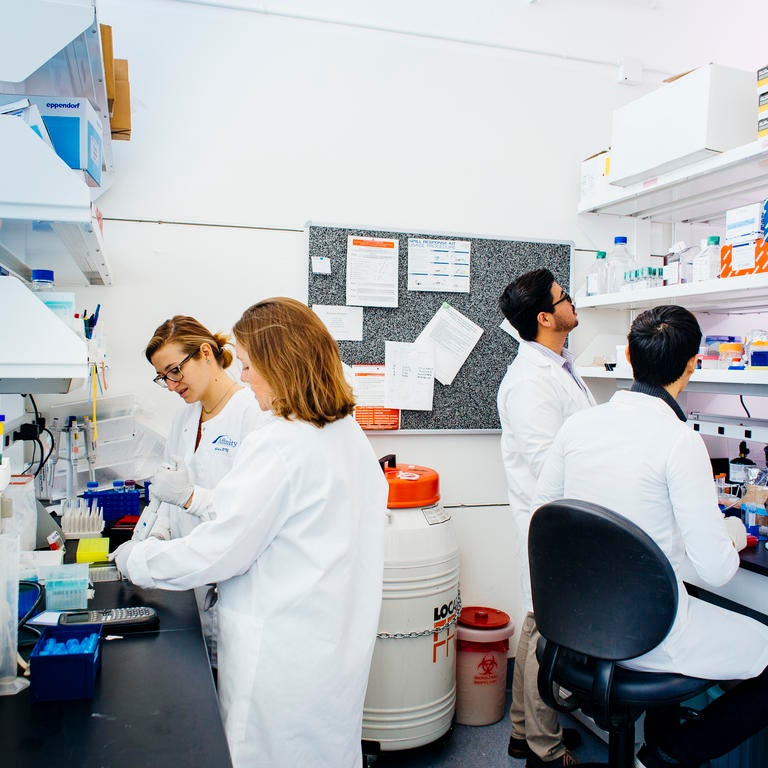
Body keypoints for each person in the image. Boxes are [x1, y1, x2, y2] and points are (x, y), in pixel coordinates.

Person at [111, 297, 388, 768]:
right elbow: (266, 516)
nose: (242, 376)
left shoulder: (280, 441)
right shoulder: (348, 436)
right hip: (333, 644)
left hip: (280, 655)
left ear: (281, 362)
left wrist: (137, 561)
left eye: (246, 363)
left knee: (266, 753)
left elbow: (221, 549)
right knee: (326, 751)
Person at [532, 305, 768, 768]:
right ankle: (666, 755)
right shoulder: (679, 440)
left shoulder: (579, 425)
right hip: (648, 635)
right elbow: (717, 570)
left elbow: (543, 516)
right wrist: (734, 534)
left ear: (628, 356)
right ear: (692, 364)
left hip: (576, 625)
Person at [497, 268, 595, 768]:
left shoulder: (557, 366)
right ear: (545, 318)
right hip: (550, 523)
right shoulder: (530, 382)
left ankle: (522, 731)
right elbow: (546, 465)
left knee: (537, 623)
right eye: (563, 297)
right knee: (546, 630)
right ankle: (544, 748)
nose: (571, 302)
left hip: (559, 521)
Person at [139, 315, 269, 666]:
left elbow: (250, 513)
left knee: (231, 678)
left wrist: (188, 497)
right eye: (163, 377)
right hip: (189, 583)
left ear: (206, 353)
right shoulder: (184, 418)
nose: (171, 385)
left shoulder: (252, 413)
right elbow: (167, 491)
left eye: (174, 371)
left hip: (235, 586)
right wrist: (155, 536)